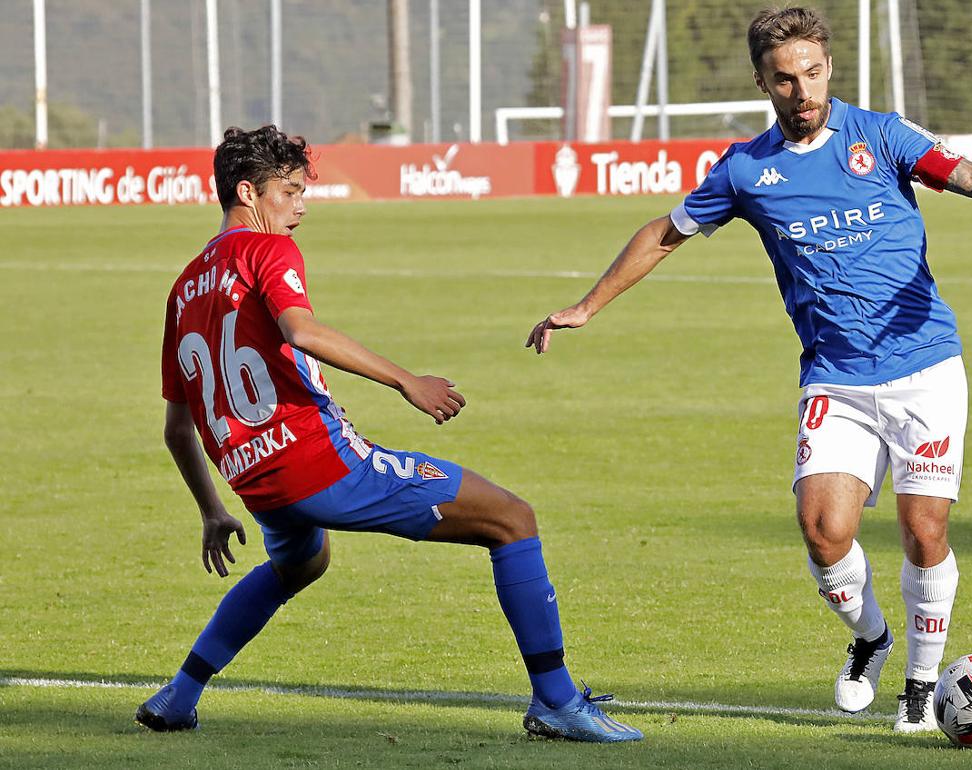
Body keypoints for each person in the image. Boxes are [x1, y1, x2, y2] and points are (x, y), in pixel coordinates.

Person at [526, 7, 972, 733]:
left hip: (925, 365)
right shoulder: (747, 170)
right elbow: (664, 233)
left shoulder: (882, 136)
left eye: (811, 72)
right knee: (822, 530)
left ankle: (922, 688)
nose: (801, 89)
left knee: (923, 531)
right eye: (784, 78)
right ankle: (870, 639)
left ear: (828, 67)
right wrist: (587, 306)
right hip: (834, 374)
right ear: (763, 83)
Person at [140, 125, 641, 743]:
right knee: (512, 519)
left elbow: (176, 427)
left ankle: (177, 695)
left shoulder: (182, 289)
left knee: (301, 561)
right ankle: (558, 702)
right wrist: (408, 381)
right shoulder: (265, 251)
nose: (301, 206)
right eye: (290, 191)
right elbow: (301, 330)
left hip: (253, 478)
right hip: (318, 462)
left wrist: (212, 509)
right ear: (248, 193)